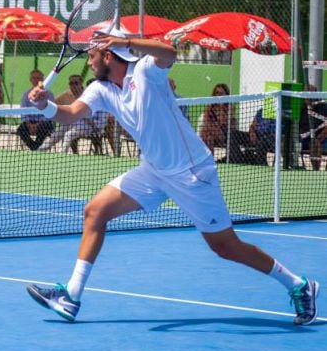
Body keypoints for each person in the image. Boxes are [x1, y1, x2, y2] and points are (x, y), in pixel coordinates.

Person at [25, 28, 319, 326]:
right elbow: (70, 114)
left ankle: (298, 284)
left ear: (108, 54)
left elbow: (168, 51)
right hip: (153, 171)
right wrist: (44, 106)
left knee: (225, 246)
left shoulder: (145, 72)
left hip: (191, 173)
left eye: (91, 56)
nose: (88, 63)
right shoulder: (101, 89)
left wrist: (127, 42)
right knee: (95, 211)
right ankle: (71, 296)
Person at [17, 69, 54, 150]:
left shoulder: (49, 94)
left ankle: (35, 148)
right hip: (29, 122)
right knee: (21, 129)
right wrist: (28, 124)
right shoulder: (26, 94)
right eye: (34, 78)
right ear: (30, 80)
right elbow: (23, 112)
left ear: (43, 80)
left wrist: (38, 125)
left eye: (38, 78)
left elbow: (49, 113)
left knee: (42, 128)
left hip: (44, 123)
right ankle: (35, 148)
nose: (36, 80)